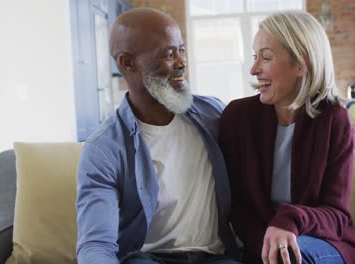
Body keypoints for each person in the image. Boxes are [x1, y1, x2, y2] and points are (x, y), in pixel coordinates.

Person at [76, 7, 240, 264]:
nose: (181, 63)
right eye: (168, 53)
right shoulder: (103, 149)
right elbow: (96, 244)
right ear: (127, 63)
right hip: (148, 258)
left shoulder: (213, 116)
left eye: (181, 50)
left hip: (216, 257)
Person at [219, 11, 355, 264]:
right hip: (263, 246)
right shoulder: (237, 119)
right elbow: (236, 207)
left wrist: (290, 220)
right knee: (281, 254)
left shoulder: (334, 120)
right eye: (254, 56)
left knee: (288, 255)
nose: (254, 69)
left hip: (321, 241)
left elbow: (336, 214)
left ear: (301, 64)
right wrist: (267, 245)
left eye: (266, 57)